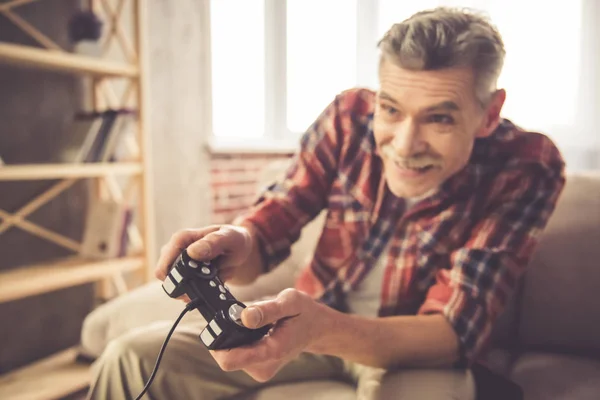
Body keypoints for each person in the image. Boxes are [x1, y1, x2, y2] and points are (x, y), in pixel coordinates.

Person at [87, 6, 565, 400]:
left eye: (438, 119)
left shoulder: (528, 165)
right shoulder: (348, 115)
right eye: (392, 110)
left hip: (411, 347)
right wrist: (237, 238)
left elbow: (451, 331)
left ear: (489, 113)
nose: (404, 143)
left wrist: (318, 331)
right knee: (128, 356)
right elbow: (275, 218)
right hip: (310, 322)